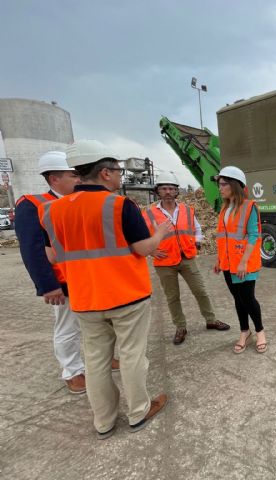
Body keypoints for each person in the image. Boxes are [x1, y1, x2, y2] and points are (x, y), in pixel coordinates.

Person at [38, 139, 172, 439]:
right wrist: (160, 233)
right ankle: (139, 411)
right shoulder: (120, 205)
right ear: (105, 173)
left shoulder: (52, 211)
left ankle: (104, 421)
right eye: (117, 170)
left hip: (85, 299)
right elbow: (143, 248)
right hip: (126, 296)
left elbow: (52, 256)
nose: (120, 176)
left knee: (96, 362)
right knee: (132, 355)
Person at [14, 151, 88, 394]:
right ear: (54, 178)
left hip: (88, 276)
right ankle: (73, 372)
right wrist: (48, 285)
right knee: (68, 327)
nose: (79, 179)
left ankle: (101, 360)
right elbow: (32, 250)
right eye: (73, 175)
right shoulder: (33, 204)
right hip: (63, 280)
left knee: (96, 325)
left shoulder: (78, 201)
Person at [142, 172, 229, 345]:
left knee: (200, 291)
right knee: (172, 296)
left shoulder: (187, 210)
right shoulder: (149, 214)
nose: (168, 191)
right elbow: (141, 238)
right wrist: (151, 252)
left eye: (171, 188)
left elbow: (197, 230)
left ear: (176, 191)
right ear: (157, 191)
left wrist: (195, 243)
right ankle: (180, 327)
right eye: (164, 188)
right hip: (165, 262)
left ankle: (211, 320)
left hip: (187, 258)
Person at [213, 166, 267, 354]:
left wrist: (243, 261)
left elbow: (254, 235)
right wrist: (219, 259)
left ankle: (260, 331)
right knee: (238, 299)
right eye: (219, 184)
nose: (220, 188)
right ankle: (245, 332)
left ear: (234, 185)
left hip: (244, 264)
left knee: (248, 299)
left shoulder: (250, 207)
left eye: (223, 184)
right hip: (228, 263)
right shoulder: (225, 208)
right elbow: (223, 237)